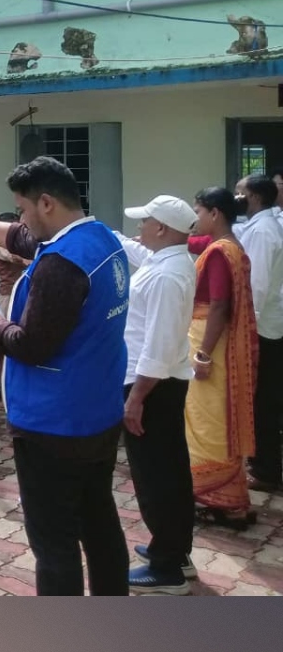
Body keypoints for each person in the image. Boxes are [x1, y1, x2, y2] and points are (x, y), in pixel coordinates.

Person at [0, 157, 131, 596]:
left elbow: (29, 344)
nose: (20, 220)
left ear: (45, 203)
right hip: (97, 411)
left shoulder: (61, 265)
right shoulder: (100, 238)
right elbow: (17, 237)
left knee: (54, 542)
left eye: (22, 209)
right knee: (98, 520)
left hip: (53, 424)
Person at [114, 196, 199, 594]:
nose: (139, 228)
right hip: (156, 383)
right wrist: (98, 231)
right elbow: (134, 250)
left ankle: (168, 569)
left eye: (145, 222)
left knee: (156, 477)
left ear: (162, 228)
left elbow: (159, 347)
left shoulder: (168, 275)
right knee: (169, 469)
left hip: (152, 385)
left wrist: (136, 399)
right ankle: (174, 551)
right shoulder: (165, 259)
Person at [186, 187, 258, 529]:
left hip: (209, 342)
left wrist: (202, 354)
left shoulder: (219, 252)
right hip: (220, 342)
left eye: (198, 212)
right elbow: (191, 241)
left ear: (214, 213)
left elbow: (218, 305)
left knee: (208, 419)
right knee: (216, 417)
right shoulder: (231, 246)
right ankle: (229, 500)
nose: (195, 218)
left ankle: (219, 498)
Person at [234, 173, 283, 493]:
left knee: (264, 401)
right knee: (260, 398)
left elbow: (258, 285)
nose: (235, 197)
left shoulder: (264, 231)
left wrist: (247, 329)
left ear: (254, 197)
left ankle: (267, 470)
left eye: (239, 192)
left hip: (263, 329)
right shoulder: (257, 225)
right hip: (263, 325)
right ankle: (262, 462)